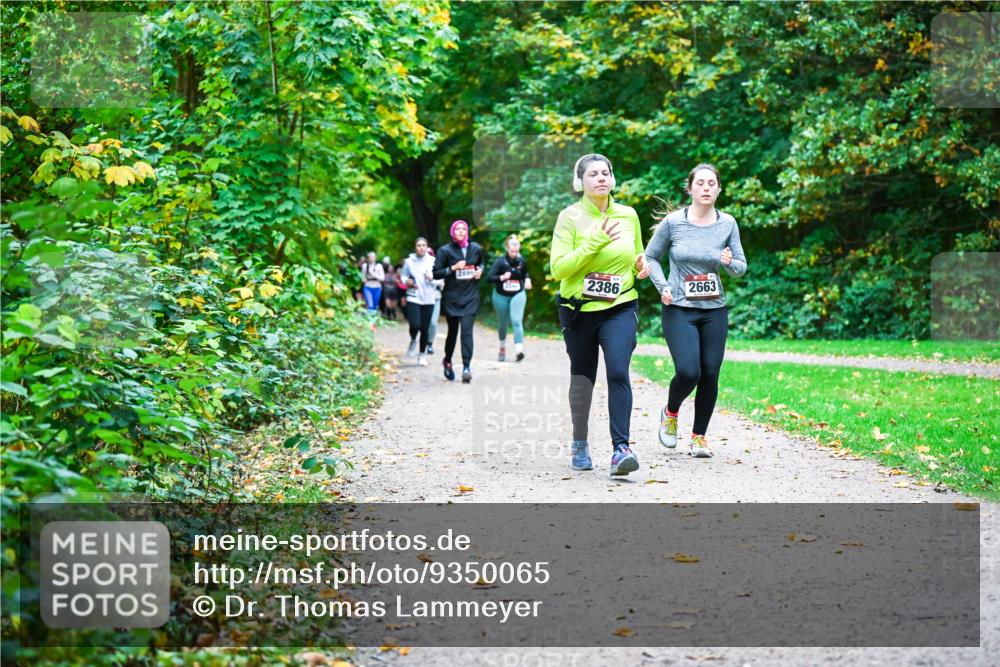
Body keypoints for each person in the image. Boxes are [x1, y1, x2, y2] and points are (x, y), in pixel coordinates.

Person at [551, 154, 649, 476]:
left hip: (620, 305)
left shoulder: (628, 215)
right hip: (579, 311)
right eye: (593, 174)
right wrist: (594, 242)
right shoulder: (569, 217)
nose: (601, 178)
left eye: (605, 172)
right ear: (580, 182)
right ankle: (580, 440)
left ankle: (621, 449)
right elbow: (559, 268)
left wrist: (641, 265)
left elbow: (637, 253)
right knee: (583, 377)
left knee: (618, 371)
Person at [643, 163, 747, 458]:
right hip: (678, 307)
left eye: (711, 183)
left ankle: (699, 437)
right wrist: (662, 286)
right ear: (690, 188)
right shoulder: (674, 223)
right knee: (689, 371)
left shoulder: (728, 223)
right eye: (700, 183)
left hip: (714, 309)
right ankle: (671, 412)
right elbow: (651, 256)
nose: (705, 187)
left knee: (711, 373)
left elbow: (740, 266)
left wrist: (727, 262)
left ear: (718, 189)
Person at [433, 220, 483, 383]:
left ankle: (466, 367)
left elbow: (481, 263)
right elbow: (436, 273)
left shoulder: (475, 248)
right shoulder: (445, 251)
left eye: (463, 229)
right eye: (457, 229)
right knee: (453, 333)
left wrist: (479, 271)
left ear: (467, 231)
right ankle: (447, 360)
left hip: (470, 297)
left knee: (467, 332)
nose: (461, 231)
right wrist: (453, 268)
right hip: (452, 298)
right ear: (452, 231)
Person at [488, 234, 531, 362]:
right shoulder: (500, 262)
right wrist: (501, 277)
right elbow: (489, 278)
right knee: (503, 324)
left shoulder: (522, 261)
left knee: (516, 321)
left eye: (517, 251)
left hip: (518, 293)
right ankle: (502, 347)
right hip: (500, 296)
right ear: (507, 248)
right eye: (512, 251)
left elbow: (525, 273)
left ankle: (519, 351)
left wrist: (527, 279)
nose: (515, 253)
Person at [401, 237, 437, 366]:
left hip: (428, 298)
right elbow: (403, 275)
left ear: (427, 247)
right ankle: (413, 340)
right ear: (415, 247)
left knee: (425, 328)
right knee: (415, 324)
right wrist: (406, 281)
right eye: (419, 245)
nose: (421, 247)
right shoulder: (409, 261)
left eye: (423, 245)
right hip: (414, 296)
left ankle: (422, 355)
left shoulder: (433, 261)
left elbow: (441, 279)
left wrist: (432, 278)